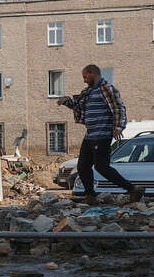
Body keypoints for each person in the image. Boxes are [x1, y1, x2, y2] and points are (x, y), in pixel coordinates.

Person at [57, 64, 145, 204]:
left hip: (102, 135)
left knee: (101, 167)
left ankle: (133, 189)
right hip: (90, 135)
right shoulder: (89, 92)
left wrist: (118, 126)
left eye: (85, 76)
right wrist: (66, 101)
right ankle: (90, 196)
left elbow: (119, 107)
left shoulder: (107, 89)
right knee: (82, 167)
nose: (84, 80)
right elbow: (78, 106)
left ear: (93, 73)